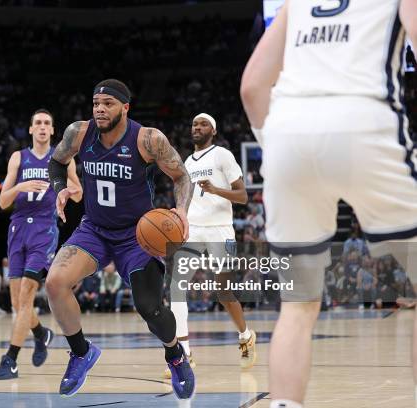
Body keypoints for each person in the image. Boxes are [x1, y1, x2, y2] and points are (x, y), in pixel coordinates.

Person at [241, 2, 417, 407]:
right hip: (364, 121)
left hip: (288, 132)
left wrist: (278, 152)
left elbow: (252, 86)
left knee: (298, 304)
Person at [46, 79, 195, 399]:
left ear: (125, 108)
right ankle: (81, 352)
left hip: (138, 236)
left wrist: (181, 210)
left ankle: (175, 354)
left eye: (108, 104)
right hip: (94, 230)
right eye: (96, 103)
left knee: (150, 308)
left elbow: (182, 176)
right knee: (55, 282)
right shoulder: (78, 132)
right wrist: (60, 190)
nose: (100, 109)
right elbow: (57, 162)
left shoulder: (148, 139)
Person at [0, 109, 82, 380]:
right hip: (17, 228)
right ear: (31, 130)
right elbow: (2, 202)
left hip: (44, 229)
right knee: (18, 305)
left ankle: (11, 360)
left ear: (53, 131)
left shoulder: (62, 158)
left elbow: (79, 195)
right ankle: (41, 333)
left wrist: (65, 187)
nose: (42, 127)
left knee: (27, 296)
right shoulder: (18, 157)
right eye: (38, 123)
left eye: (47, 124)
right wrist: (20, 187)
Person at [164, 113, 256, 379]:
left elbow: (243, 195)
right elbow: (183, 194)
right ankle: (184, 355)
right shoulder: (186, 163)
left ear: (213, 131)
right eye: (194, 124)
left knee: (224, 294)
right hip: (192, 230)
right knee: (177, 288)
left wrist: (216, 190)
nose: (197, 127)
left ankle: (246, 336)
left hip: (220, 229)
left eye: (203, 124)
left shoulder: (222, 155)